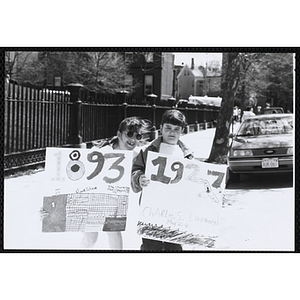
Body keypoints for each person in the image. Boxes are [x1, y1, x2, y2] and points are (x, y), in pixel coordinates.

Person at [81, 116, 151, 250]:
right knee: (90, 239)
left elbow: (138, 174)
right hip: (91, 199)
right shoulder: (102, 152)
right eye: (129, 134)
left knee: (114, 233)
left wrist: (141, 179)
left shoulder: (136, 156)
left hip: (113, 201)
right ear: (119, 134)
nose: (132, 139)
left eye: (137, 136)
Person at [131, 109, 194, 251]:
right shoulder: (148, 150)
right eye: (168, 128)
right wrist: (139, 178)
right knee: (151, 245)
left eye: (176, 129)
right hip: (151, 208)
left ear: (182, 131)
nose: (172, 133)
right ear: (161, 128)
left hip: (175, 209)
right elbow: (135, 170)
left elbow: (192, 180)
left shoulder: (186, 154)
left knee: (174, 245)